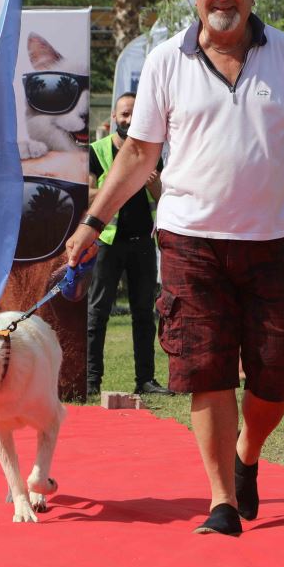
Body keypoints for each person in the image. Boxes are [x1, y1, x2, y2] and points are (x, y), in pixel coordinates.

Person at [64, 0, 284, 536]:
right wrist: (92, 222)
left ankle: (247, 452)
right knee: (205, 368)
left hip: (275, 239)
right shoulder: (164, 62)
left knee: (279, 369)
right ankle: (222, 502)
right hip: (190, 240)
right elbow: (137, 153)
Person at [86, 92, 171, 398]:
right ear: (114, 118)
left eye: (135, 113)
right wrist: (119, 180)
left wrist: (154, 184)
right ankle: (91, 379)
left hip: (143, 244)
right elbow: (87, 196)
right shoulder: (96, 151)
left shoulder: (151, 152)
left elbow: (166, 199)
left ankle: (146, 380)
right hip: (107, 242)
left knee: (144, 314)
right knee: (97, 313)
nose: (129, 119)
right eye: (124, 114)